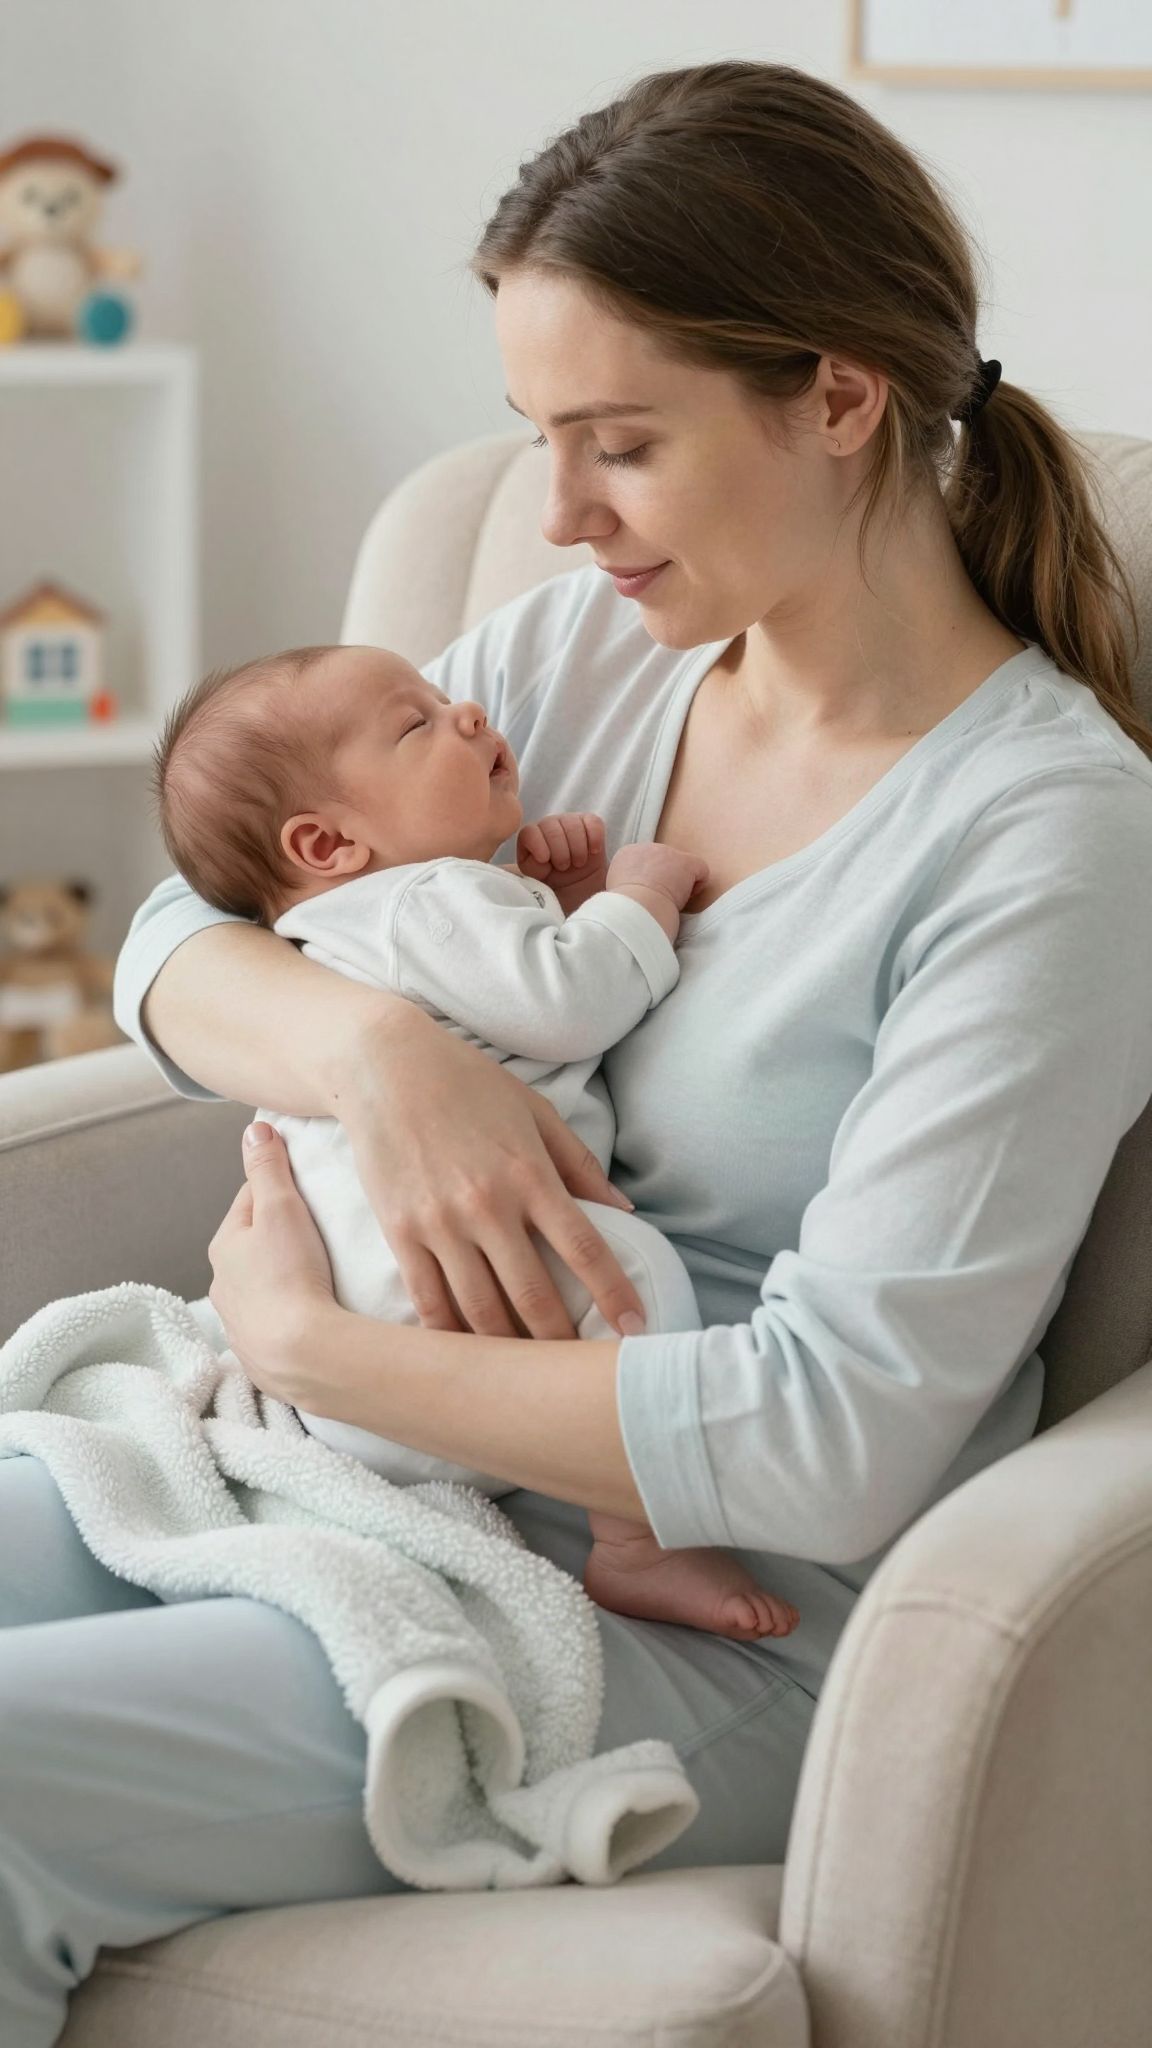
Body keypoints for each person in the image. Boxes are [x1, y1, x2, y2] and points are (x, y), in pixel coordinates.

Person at [3, 56, 1152, 2047]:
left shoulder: (1045, 837)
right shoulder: (582, 656)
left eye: (616, 443)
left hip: (719, 1614)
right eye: (536, 438)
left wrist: (321, 1354)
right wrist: (383, 1054)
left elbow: (840, 1431)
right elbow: (192, 928)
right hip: (370, 1496)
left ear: (840, 399)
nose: (551, 514)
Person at [151, 639, 800, 1640]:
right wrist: (640, 894)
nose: (466, 712)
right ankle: (639, 1540)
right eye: (416, 723)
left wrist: (556, 900)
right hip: (461, 1311)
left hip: (349, 1357)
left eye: (445, 696)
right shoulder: (426, 899)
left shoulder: (332, 933)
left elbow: (506, 994)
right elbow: (574, 1000)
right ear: (327, 846)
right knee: (631, 1279)